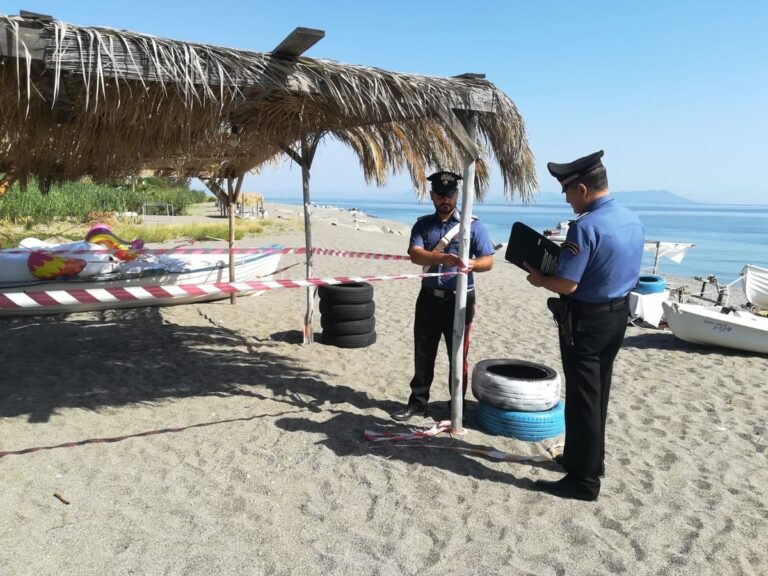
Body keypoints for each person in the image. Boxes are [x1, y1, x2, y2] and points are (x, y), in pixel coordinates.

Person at [524, 150, 644, 501]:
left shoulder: (585, 226)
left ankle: (583, 481)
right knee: (598, 393)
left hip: (587, 320)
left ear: (581, 188)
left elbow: (568, 284)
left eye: (566, 192)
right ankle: (588, 460)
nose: (565, 199)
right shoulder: (631, 218)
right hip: (618, 315)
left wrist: (540, 279)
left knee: (582, 400)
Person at [393, 171, 495, 422]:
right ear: (432, 196)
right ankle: (418, 404)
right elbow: (415, 254)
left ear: (457, 195)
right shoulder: (422, 225)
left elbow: (489, 261)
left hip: (460, 300)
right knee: (423, 352)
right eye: (440, 195)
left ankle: (456, 406)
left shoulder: (473, 225)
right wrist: (441, 258)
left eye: (449, 195)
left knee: (458, 354)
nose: (445, 200)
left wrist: (471, 264)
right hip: (428, 297)